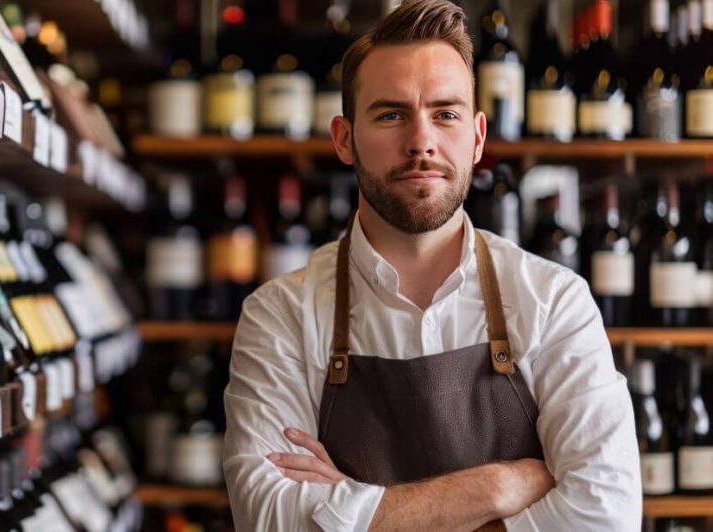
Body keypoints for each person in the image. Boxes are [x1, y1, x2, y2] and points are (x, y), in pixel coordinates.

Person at [221, 0, 641, 530]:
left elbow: (608, 515)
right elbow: (267, 518)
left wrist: (350, 505)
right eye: (391, 114)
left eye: (445, 114)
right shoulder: (279, 314)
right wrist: (500, 487)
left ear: (478, 138)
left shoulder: (555, 300)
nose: (421, 142)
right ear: (345, 139)